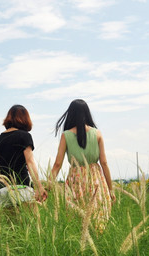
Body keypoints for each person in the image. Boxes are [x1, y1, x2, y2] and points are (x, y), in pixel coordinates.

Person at [50, 99, 115, 232]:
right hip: (96, 179)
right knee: (98, 218)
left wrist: (48, 187)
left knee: (76, 219)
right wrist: (110, 188)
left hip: (76, 180)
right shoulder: (97, 134)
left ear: (71, 114)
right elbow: (104, 163)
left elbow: (57, 164)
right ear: (87, 113)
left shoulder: (66, 135)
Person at [0, 105, 47, 207]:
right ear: (25, 119)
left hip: (3, 190)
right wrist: (39, 186)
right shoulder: (24, 136)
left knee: (10, 222)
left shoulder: (0, 138)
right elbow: (30, 162)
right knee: (28, 221)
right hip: (22, 188)